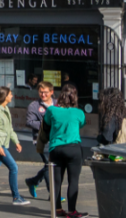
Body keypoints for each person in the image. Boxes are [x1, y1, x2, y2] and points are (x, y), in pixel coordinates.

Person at [41, 83, 87, 218]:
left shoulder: (52, 110)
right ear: (75, 97)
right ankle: (72, 211)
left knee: (56, 181)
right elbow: (81, 124)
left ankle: (58, 210)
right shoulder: (79, 112)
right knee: (73, 181)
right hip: (73, 149)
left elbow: (47, 124)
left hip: (56, 148)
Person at [23, 80, 54, 198]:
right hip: (41, 140)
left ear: (51, 92)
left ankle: (33, 181)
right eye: (41, 92)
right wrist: (46, 123)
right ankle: (53, 194)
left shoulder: (57, 104)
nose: (43, 95)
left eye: (45, 92)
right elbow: (29, 122)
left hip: (56, 139)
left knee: (52, 165)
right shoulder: (34, 106)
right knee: (49, 164)